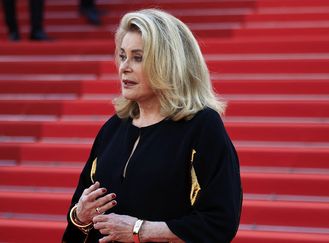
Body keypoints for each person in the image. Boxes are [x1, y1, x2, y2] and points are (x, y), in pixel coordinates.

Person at [62, 9, 243, 243]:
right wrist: (80, 215)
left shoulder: (202, 126)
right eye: (122, 56)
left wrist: (140, 230)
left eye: (137, 57)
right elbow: (78, 215)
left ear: (168, 63)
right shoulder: (112, 128)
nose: (124, 67)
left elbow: (220, 222)